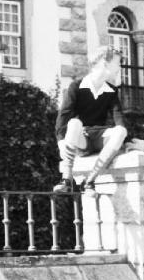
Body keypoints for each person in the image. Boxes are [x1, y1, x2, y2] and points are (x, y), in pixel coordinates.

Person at [53, 46, 128, 197]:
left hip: (100, 137)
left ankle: (90, 182)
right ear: (105, 63)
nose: (120, 67)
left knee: (121, 131)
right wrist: (61, 140)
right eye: (117, 63)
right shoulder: (77, 86)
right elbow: (64, 115)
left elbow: (118, 117)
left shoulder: (112, 90)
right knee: (74, 123)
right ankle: (66, 179)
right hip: (82, 139)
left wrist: (125, 138)